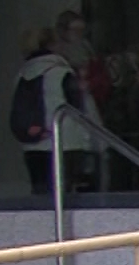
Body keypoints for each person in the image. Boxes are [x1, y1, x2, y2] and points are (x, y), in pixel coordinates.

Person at [14, 27, 91, 195]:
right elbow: (78, 107)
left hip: (33, 144)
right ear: (53, 44)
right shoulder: (61, 71)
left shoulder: (23, 73)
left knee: (40, 195)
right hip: (64, 142)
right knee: (64, 195)